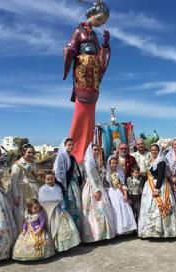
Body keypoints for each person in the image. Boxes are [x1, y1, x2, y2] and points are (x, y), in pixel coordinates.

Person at [63, 0, 111, 163]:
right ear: (92, 14)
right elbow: (71, 46)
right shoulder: (79, 30)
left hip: (93, 79)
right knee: (80, 114)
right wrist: (69, 51)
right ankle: (73, 151)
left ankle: (86, 152)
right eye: (99, 19)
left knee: (90, 117)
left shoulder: (95, 36)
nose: (100, 23)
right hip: (83, 76)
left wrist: (104, 45)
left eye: (102, 21)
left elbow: (100, 56)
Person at [138, 144, 176, 238]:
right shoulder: (149, 161)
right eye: (152, 150)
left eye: (156, 150)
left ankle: (164, 231)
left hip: (159, 185)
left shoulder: (161, 161)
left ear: (159, 151)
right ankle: (150, 231)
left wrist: (157, 189)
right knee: (149, 208)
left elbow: (161, 175)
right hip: (149, 186)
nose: (154, 152)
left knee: (158, 207)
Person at [38, 171, 80, 252]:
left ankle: (65, 247)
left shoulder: (58, 187)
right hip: (48, 212)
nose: (50, 181)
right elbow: (42, 201)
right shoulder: (42, 189)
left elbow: (61, 199)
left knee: (66, 226)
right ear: (44, 180)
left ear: (54, 179)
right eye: (48, 179)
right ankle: (55, 246)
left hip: (58, 210)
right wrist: (53, 202)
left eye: (52, 179)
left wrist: (62, 207)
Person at [81, 143, 115, 242]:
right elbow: (90, 177)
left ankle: (104, 234)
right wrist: (96, 190)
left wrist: (103, 170)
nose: (96, 152)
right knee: (93, 210)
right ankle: (93, 236)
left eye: (97, 150)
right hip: (92, 187)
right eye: (94, 150)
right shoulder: (88, 162)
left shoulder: (95, 161)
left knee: (103, 209)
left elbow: (102, 173)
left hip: (99, 185)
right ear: (90, 151)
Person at [54, 137, 84, 237]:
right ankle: (69, 233)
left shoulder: (71, 157)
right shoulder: (62, 156)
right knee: (68, 207)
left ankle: (76, 231)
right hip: (67, 185)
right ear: (65, 145)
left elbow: (77, 171)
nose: (71, 147)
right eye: (69, 145)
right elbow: (60, 173)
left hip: (74, 184)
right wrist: (63, 186)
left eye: (72, 145)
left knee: (75, 207)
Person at [11, 144, 41, 232]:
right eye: (29, 152)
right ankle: (23, 233)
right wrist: (16, 195)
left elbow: (35, 176)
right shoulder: (18, 164)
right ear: (23, 152)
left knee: (36, 212)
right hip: (23, 191)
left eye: (33, 152)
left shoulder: (33, 163)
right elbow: (14, 181)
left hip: (35, 189)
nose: (31, 154)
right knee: (22, 214)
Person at [106, 157, 137, 235]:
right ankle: (116, 230)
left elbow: (122, 184)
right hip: (111, 192)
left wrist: (125, 194)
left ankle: (124, 229)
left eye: (115, 163)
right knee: (115, 209)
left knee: (122, 208)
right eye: (112, 163)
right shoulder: (107, 172)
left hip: (119, 192)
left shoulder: (120, 172)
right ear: (109, 164)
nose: (114, 165)